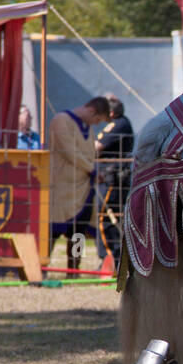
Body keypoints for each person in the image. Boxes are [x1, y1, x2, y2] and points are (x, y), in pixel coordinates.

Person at [49, 96, 110, 271]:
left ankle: (74, 270)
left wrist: (93, 171)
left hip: (83, 190)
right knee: (53, 231)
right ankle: (42, 267)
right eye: (97, 119)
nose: (96, 124)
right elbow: (69, 151)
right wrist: (91, 168)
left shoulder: (88, 128)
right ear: (91, 111)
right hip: (61, 188)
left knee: (78, 233)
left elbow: (88, 153)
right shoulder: (61, 121)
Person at [94, 94, 134, 264]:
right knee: (110, 217)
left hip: (112, 178)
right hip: (109, 177)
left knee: (105, 217)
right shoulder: (118, 123)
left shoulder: (118, 124)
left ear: (110, 113)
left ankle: (111, 259)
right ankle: (111, 260)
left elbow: (96, 148)